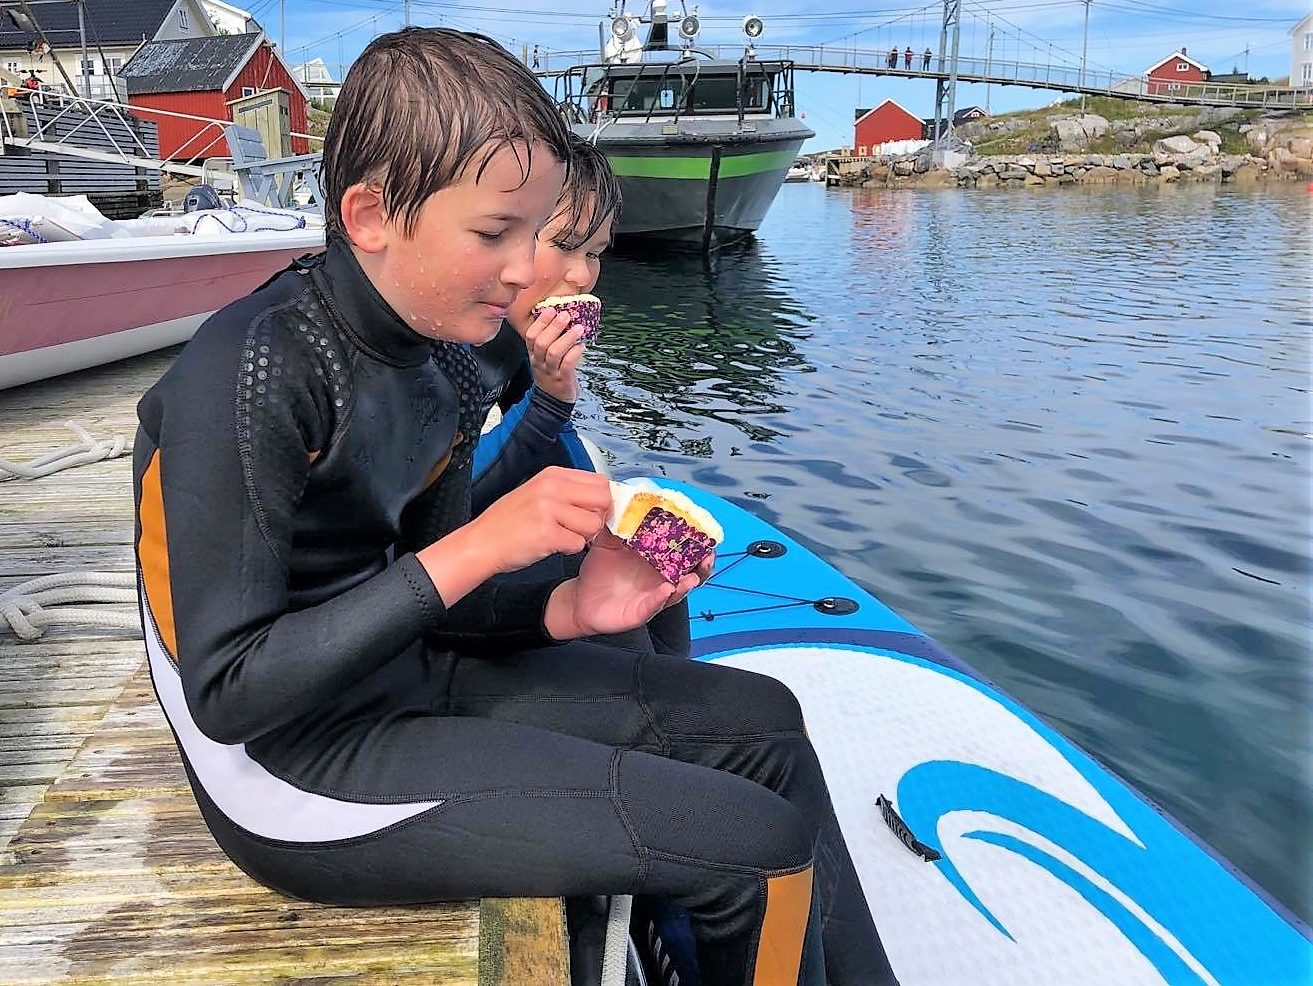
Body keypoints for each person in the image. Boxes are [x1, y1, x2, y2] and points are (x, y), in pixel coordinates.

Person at [132, 26, 895, 986]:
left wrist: (565, 609)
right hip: (291, 771)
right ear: (369, 214)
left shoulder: (447, 351)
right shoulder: (247, 376)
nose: (526, 267)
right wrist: (487, 544)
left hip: (408, 678)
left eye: (535, 235)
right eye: (496, 234)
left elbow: (426, 585)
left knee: (767, 724)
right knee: (754, 845)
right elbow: (232, 693)